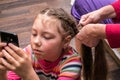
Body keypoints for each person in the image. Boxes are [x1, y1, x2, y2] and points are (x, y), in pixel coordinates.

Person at [0, 8, 81, 80]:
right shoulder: (28, 53)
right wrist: (2, 73)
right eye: (34, 34)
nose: (36, 41)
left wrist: (28, 73)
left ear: (66, 41)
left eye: (46, 37)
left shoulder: (72, 63)